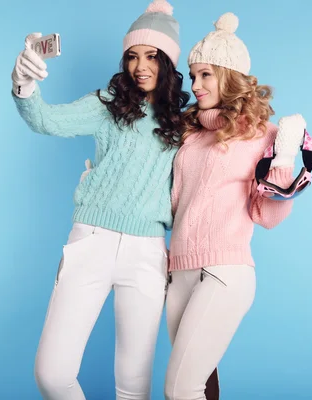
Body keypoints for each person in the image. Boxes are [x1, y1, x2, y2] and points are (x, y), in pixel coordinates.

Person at [11, 1, 190, 398]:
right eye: (132, 56)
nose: (140, 66)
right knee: (52, 373)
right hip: (91, 240)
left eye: (152, 56)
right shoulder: (107, 104)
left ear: (169, 62)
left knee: (133, 386)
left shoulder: (184, 123)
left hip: (147, 253)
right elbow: (45, 120)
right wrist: (23, 84)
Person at [164, 11, 307, 399]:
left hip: (223, 271)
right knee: (203, 387)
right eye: (192, 75)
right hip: (179, 272)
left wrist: (284, 158)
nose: (195, 84)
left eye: (205, 74)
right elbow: (174, 202)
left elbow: (269, 216)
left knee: (180, 389)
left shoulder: (266, 133)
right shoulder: (190, 133)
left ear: (229, 75)